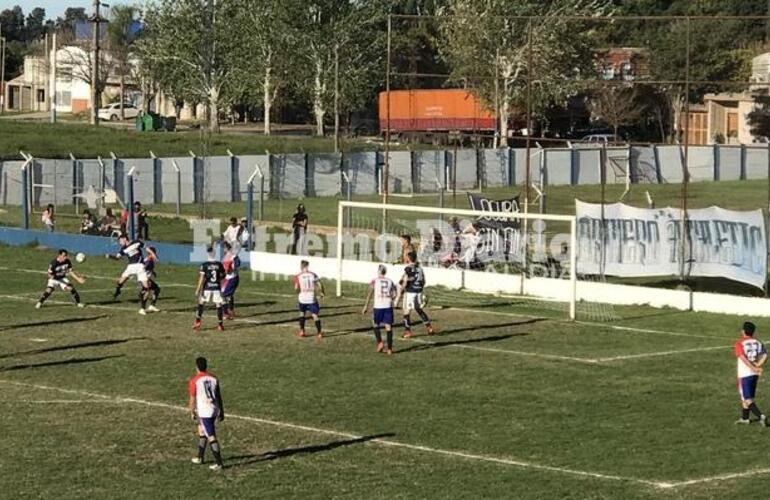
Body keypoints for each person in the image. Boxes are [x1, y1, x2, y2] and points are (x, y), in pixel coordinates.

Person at [188, 357, 225, 470]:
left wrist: (191, 411)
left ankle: (219, 463)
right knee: (202, 430)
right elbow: (219, 396)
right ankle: (200, 457)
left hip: (205, 412)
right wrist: (222, 411)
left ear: (197, 367)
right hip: (214, 408)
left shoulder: (194, 380)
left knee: (211, 436)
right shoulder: (214, 378)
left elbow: (192, 399)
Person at [106, 234, 151, 315]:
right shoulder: (123, 249)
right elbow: (117, 257)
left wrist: (151, 255)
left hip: (140, 266)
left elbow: (146, 247)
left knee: (146, 288)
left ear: (124, 239)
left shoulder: (136, 242)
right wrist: (110, 256)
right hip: (130, 267)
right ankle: (117, 291)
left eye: (120, 241)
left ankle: (142, 308)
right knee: (120, 282)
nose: (119, 243)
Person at [735, 321, 769, 426]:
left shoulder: (739, 343)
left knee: (747, 398)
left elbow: (742, 358)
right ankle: (745, 418)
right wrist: (758, 365)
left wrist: (753, 368)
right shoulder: (758, 342)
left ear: (743, 331)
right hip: (754, 375)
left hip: (745, 374)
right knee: (747, 396)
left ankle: (761, 417)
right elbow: (765, 355)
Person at [395, 251, 434, 338]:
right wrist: (420, 288)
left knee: (406, 311)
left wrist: (401, 290)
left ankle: (408, 331)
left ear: (408, 259)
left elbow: (404, 281)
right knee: (419, 309)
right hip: (419, 291)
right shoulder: (420, 269)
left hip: (410, 292)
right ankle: (429, 327)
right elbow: (424, 281)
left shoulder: (408, 268)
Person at [362, 264, 397, 355]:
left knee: (375, 324)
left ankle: (380, 342)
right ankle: (389, 349)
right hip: (388, 305)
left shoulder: (374, 281)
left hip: (378, 306)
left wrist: (366, 306)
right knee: (388, 327)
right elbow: (394, 294)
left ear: (379, 271)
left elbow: (369, 294)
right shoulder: (390, 281)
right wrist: (391, 299)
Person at [194, 246, 226, 332]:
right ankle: (220, 325)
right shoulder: (219, 264)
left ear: (207, 254)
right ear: (214, 254)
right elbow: (223, 275)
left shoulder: (204, 265)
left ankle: (197, 322)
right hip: (216, 287)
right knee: (218, 304)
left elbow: (201, 278)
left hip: (207, 287)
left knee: (201, 303)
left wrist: (198, 289)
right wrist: (218, 280)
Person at [294, 260, 324, 339]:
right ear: (307, 266)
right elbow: (320, 284)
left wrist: (299, 291)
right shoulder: (313, 274)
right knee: (315, 315)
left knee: (302, 313)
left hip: (302, 299)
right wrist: (322, 292)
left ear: (302, 266)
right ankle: (319, 333)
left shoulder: (298, 276)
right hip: (311, 298)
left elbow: (296, 288)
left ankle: (302, 331)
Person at [221, 241, 240, 320]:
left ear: (226, 248)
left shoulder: (233, 256)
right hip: (227, 278)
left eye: (224, 248)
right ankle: (231, 311)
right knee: (228, 295)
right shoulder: (226, 256)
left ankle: (226, 313)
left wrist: (231, 268)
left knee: (223, 295)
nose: (224, 249)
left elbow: (237, 264)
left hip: (232, 278)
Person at [142, 246, 161, 312]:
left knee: (157, 289)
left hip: (146, 278)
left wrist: (153, 272)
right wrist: (147, 279)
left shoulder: (149, 259)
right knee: (147, 292)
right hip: (145, 278)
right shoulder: (149, 260)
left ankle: (152, 306)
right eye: (155, 253)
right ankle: (142, 308)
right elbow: (144, 268)